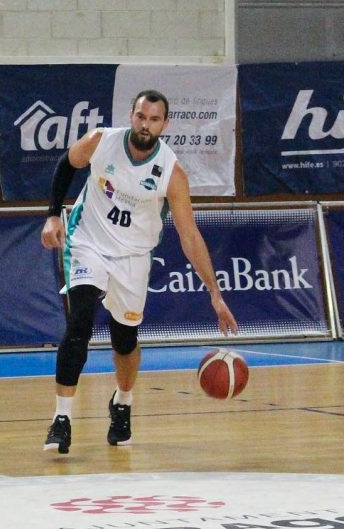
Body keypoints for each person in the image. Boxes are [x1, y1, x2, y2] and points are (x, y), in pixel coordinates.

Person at [40, 89, 238, 455]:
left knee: (124, 340)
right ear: (131, 116)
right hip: (88, 242)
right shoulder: (102, 141)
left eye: (154, 119)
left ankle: (123, 402)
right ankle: (62, 418)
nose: (145, 125)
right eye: (141, 117)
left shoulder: (171, 172)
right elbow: (67, 164)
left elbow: (189, 235)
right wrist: (53, 214)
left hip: (133, 255)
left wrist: (215, 293)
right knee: (79, 324)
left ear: (165, 124)